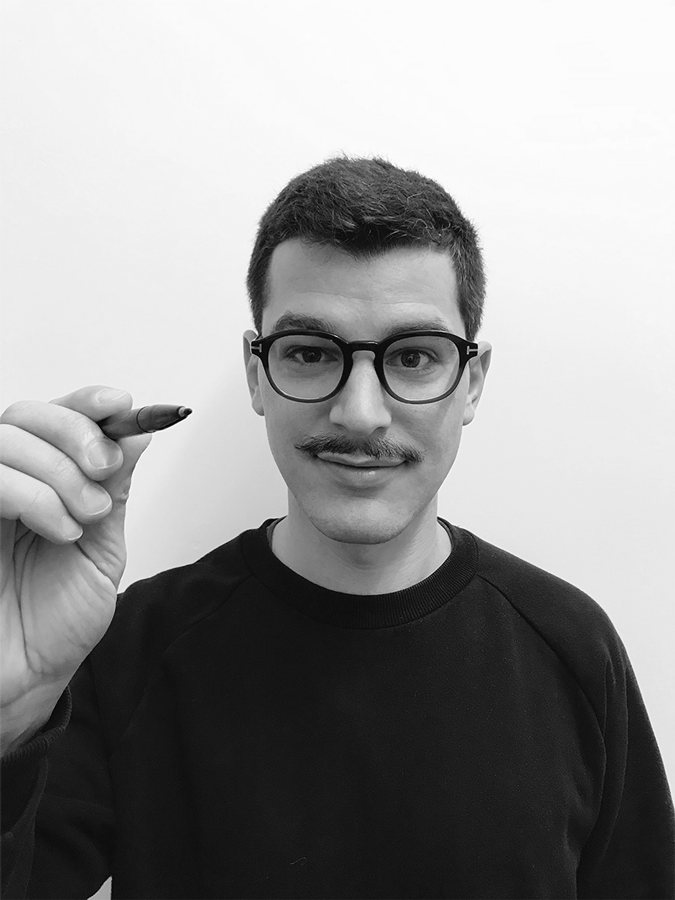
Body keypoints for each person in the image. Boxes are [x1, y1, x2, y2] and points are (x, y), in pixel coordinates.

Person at [0, 156, 673, 900]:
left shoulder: (573, 647)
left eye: (413, 357)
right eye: (311, 353)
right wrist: (8, 715)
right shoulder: (126, 647)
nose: (359, 413)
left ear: (472, 382)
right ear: (257, 373)